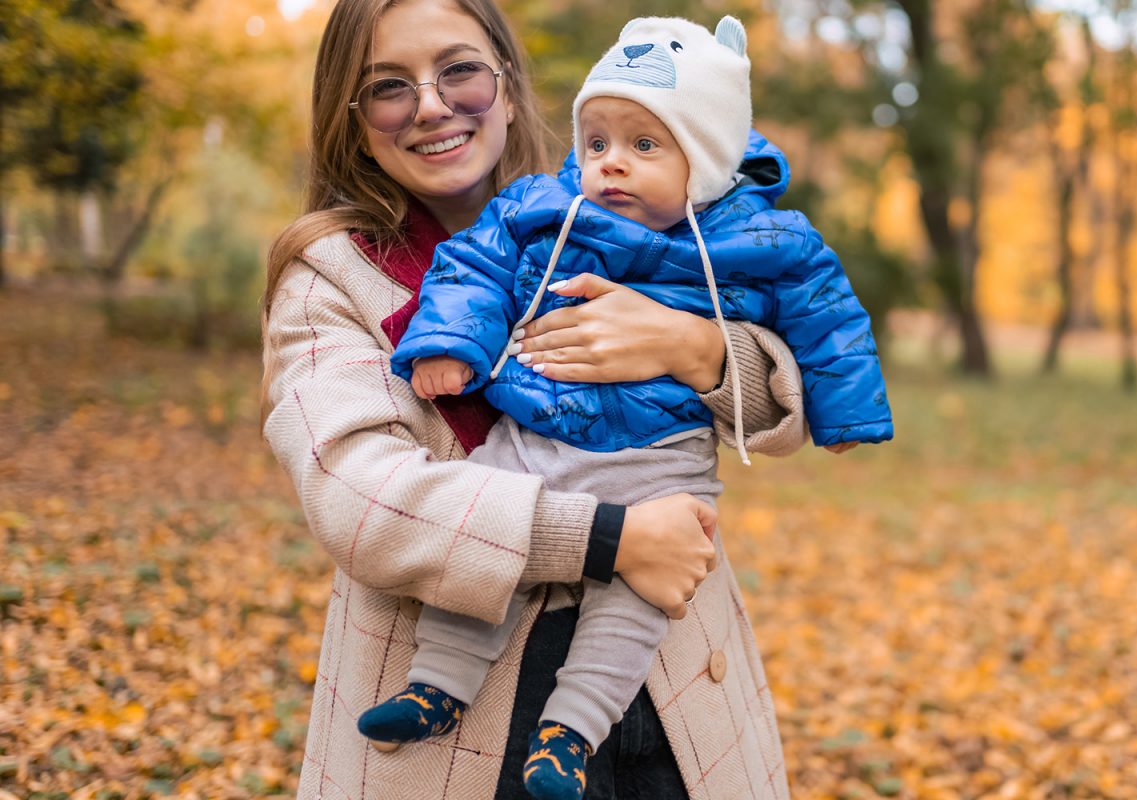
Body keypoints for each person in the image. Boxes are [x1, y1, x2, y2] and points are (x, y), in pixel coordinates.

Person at [260, 1, 806, 797]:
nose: (432, 105)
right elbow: (361, 502)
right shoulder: (329, 278)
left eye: (459, 70)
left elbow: (787, 412)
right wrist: (609, 537)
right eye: (388, 86)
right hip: (466, 720)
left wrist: (694, 348)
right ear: (352, 117)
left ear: (508, 88)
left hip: (669, 691)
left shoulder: (619, 207)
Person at [359, 15, 893, 798]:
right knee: (483, 534)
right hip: (539, 426)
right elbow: (473, 267)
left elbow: (829, 317)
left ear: (705, 160)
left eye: (645, 146)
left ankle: (568, 732)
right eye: (598, 141)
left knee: (642, 593)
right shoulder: (543, 204)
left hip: (662, 455)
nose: (611, 165)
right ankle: (437, 683)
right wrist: (450, 344)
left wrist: (835, 409)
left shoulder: (765, 237)